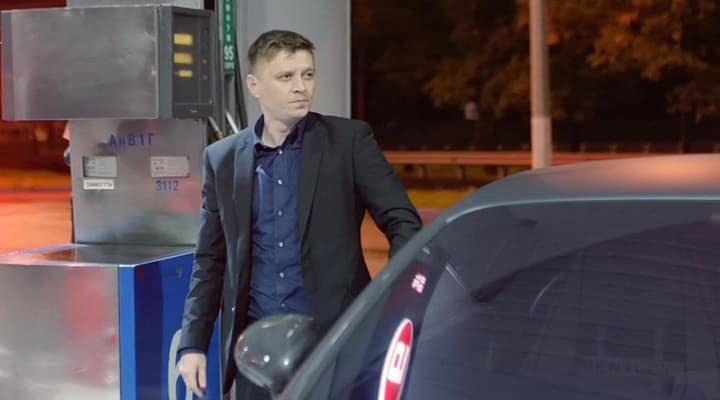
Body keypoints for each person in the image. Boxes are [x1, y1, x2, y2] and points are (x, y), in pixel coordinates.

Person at [177, 30, 422, 400]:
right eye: (286, 76)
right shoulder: (222, 159)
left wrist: (390, 299)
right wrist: (193, 344)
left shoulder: (349, 141)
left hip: (334, 345)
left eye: (308, 74)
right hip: (256, 353)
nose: (301, 87)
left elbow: (403, 222)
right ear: (254, 85)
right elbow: (210, 259)